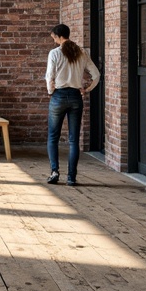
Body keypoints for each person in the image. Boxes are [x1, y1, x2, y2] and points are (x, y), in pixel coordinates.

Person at [45, 23, 100, 186]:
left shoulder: (54, 53)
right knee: (73, 140)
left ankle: (54, 171)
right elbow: (96, 75)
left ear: (59, 36)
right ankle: (71, 177)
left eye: (54, 37)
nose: (53, 40)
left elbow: (50, 77)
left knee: (53, 136)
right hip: (76, 97)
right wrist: (87, 89)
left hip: (59, 96)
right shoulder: (81, 52)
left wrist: (50, 92)